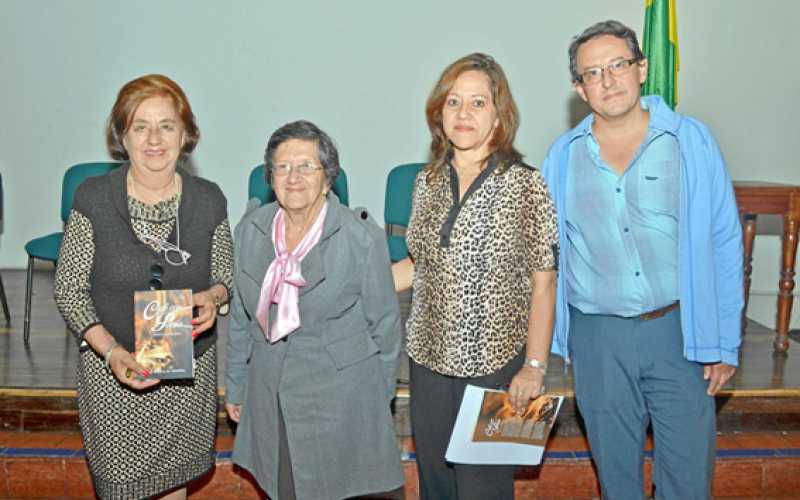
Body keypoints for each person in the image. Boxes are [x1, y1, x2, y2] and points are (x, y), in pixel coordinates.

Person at [541, 20, 743, 500]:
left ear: (642, 68)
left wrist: (724, 342)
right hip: (597, 337)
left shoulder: (690, 142)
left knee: (689, 479)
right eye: (593, 73)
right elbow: (543, 255)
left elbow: (723, 239)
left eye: (618, 65)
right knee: (617, 480)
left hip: (679, 332)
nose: (608, 81)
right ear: (579, 87)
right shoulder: (562, 157)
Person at [54, 74, 232, 499]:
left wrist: (214, 297)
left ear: (186, 134)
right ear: (122, 136)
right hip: (112, 373)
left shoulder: (209, 200)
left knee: (174, 487)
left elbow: (225, 276)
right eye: (140, 126)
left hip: (185, 379)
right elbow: (69, 290)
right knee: (119, 488)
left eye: (167, 126)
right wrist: (112, 352)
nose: (154, 139)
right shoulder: (93, 198)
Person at [393, 53, 559, 500]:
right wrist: (337, 288)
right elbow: (420, 266)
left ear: (499, 114)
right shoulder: (425, 182)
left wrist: (535, 366)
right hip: (427, 360)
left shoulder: (526, 184)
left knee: (482, 487)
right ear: (438, 113)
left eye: (478, 103)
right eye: (453, 102)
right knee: (437, 482)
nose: (463, 114)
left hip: (497, 362)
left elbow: (544, 282)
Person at [225, 120, 404, 500]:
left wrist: (377, 398)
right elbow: (241, 319)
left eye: (307, 166)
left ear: (328, 178)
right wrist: (237, 386)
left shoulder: (358, 236)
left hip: (343, 396)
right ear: (270, 176)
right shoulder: (250, 231)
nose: (293, 177)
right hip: (272, 392)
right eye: (282, 167)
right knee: (286, 487)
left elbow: (385, 325)